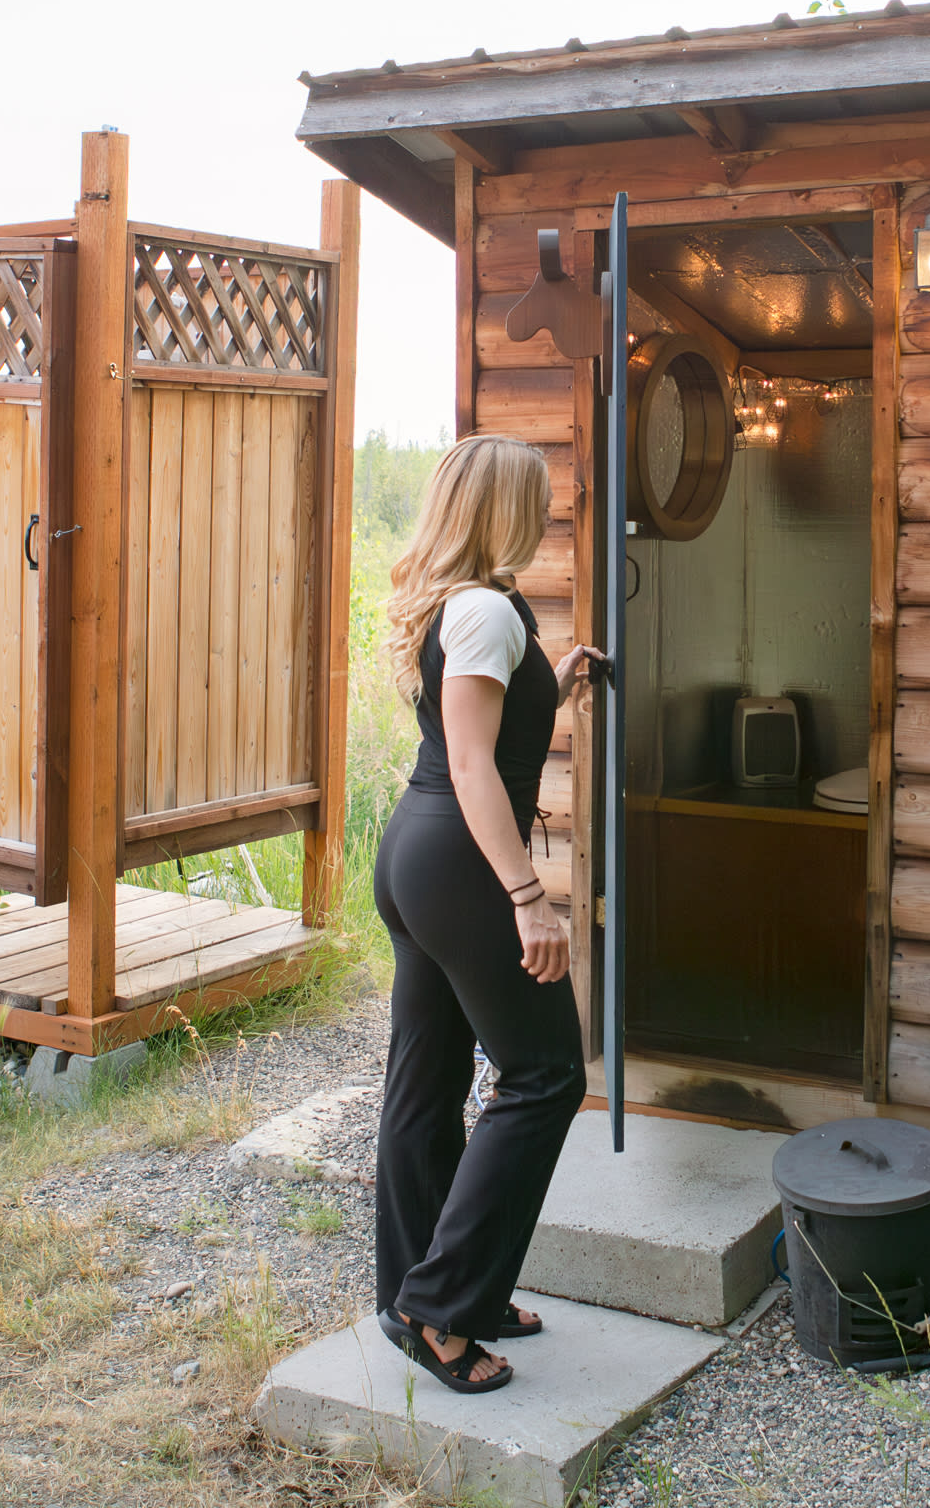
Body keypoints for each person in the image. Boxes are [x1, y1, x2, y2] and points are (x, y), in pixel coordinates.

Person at [372, 434, 604, 1394]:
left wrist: (557, 672)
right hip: (464, 866)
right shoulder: (479, 612)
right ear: (501, 506)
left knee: (426, 1076)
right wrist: (527, 897)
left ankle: (424, 1294)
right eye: (537, 496)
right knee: (546, 1074)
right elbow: (473, 765)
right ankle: (445, 1307)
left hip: (418, 858)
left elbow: (487, 722)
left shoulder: (475, 603)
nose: (549, 508)